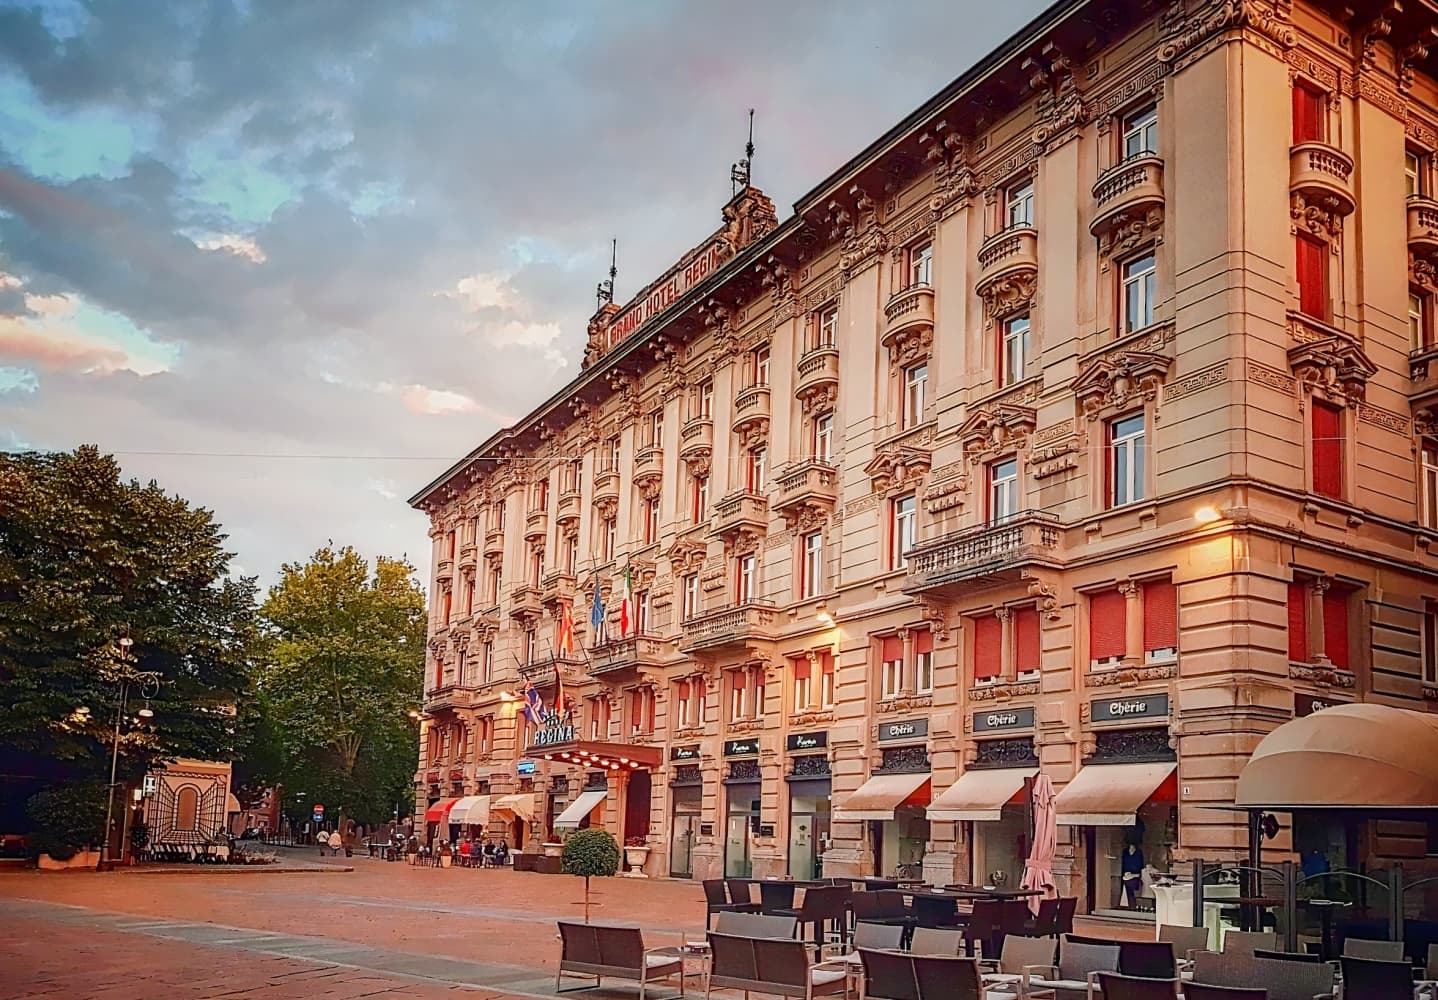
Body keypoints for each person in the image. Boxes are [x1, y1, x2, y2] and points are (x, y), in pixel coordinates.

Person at [1121, 842, 1145, 908]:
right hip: (1126, 875)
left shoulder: (1139, 852)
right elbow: (1123, 864)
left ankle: (1133, 906)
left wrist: (1136, 874)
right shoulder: (1125, 852)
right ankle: (1130, 906)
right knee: (1128, 888)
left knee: (1132, 888)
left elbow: (1141, 865)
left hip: (1136, 875)